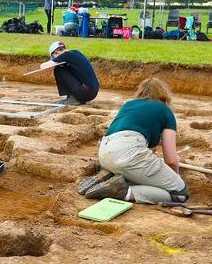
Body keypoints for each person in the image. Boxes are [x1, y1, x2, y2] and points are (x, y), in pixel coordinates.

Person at [80, 77, 189, 205]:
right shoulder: (165, 110)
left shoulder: (129, 104)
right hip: (129, 153)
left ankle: (109, 179)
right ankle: (122, 192)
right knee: (180, 194)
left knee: (140, 175)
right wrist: (176, 177)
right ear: (164, 95)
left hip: (104, 154)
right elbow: (170, 160)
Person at [48, 41, 99, 105]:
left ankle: (73, 99)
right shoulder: (74, 53)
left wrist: (52, 62)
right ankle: (73, 97)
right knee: (62, 68)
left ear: (56, 52)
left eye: (53, 56)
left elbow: (44, 66)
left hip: (85, 92)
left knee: (58, 70)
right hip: (92, 93)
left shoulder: (65, 55)